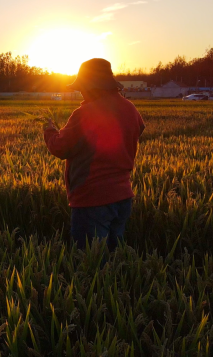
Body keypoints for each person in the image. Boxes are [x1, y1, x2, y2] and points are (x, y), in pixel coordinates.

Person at [43, 58, 145, 252]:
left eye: (82, 87)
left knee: (90, 263)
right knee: (114, 258)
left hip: (92, 200)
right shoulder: (130, 108)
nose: (81, 92)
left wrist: (49, 131)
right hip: (123, 197)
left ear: (92, 87)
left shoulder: (85, 113)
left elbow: (60, 148)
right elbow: (139, 129)